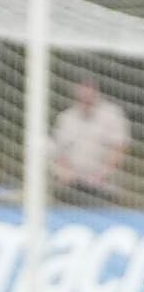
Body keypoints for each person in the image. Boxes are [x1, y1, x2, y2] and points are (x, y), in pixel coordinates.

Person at [52, 75, 130, 205]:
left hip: (104, 183)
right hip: (72, 183)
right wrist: (68, 174)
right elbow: (59, 151)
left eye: (89, 88)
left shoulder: (112, 114)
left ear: (96, 90)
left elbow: (119, 148)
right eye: (82, 88)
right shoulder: (66, 118)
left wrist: (102, 174)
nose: (85, 93)